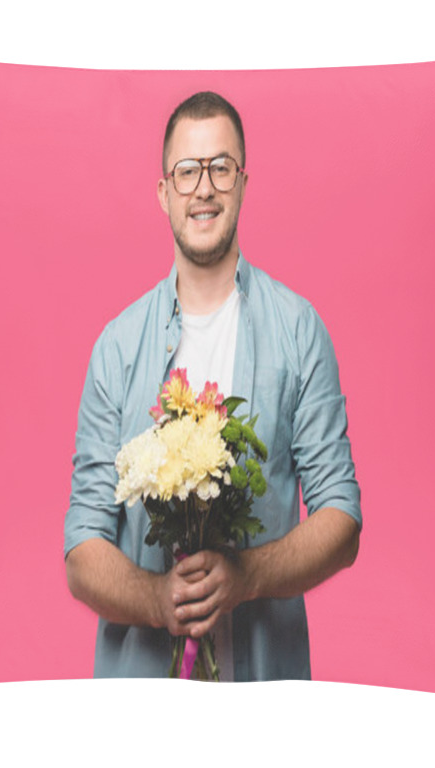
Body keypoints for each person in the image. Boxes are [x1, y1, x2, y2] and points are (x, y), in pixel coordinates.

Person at [64, 91, 362, 681]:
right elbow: (82, 548)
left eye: (220, 168)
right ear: (164, 192)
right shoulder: (118, 348)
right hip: (141, 697)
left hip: (263, 686)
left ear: (243, 184)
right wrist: (157, 600)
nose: (204, 189)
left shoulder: (299, 331)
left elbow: (341, 515)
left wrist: (247, 576)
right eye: (187, 171)